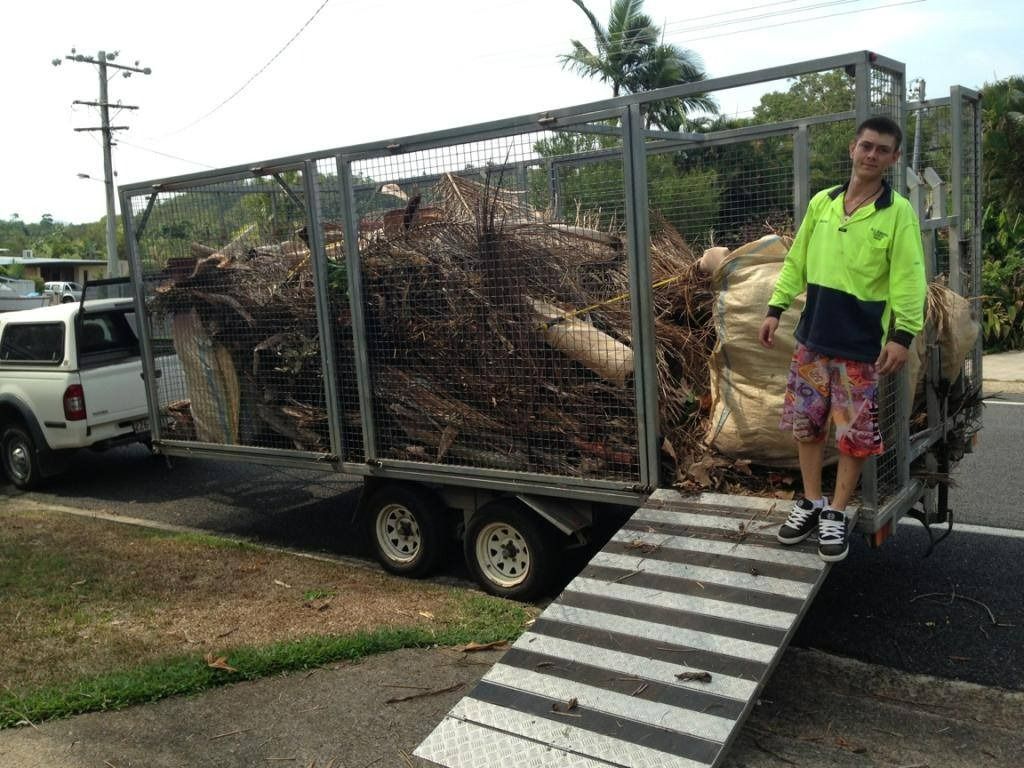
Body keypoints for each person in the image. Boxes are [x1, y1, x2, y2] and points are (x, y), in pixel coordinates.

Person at [758, 115, 926, 562]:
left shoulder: (898, 214)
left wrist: (903, 336)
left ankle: (836, 511)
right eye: (866, 146)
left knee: (852, 434)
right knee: (807, 423)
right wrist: (775, 308)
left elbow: (910, 279)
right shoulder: (823, 203)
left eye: (882, 150)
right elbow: (797, 261)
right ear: (852, 148)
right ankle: (812, 501)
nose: (871, 155)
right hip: (812, 339)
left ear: (893, 158)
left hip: (859, 347)